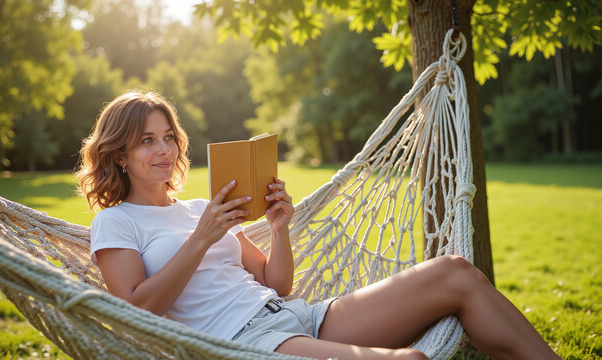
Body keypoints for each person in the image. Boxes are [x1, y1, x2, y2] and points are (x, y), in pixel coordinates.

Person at [77, 90, 561, 360]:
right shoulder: (117, 223)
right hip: (244, 344)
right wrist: (201, 241)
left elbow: (275, 282)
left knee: (455, 271)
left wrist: (280, 226)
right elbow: (134, 312)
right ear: (119, 155)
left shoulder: (200, 206)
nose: (163, 151)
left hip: (297, 317)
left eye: (167, 137)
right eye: (146, 141)